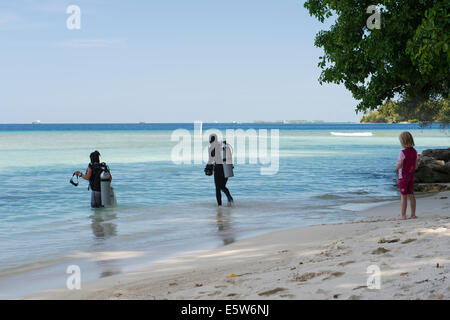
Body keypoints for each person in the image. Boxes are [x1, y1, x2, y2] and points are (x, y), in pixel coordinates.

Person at [396, 131, 418, 220]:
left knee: (403, 196)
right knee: (411, 195)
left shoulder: (402, 152)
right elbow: (416, 166)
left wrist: (397, 165)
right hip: (411, 176)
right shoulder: (415, 152)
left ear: (403, 142)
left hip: (403, 177)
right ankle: (413, 214)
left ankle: (403, 215)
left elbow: (399, 165)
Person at [207, 134, 234, 206]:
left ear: (211, 141)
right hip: (228, 167)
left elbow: (211, 159)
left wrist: (208, 167)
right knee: (222, 186)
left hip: (219, 168)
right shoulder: (224, 145)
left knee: (218, 188)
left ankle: (219, 206)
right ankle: (230, 198)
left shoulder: (212, 148)